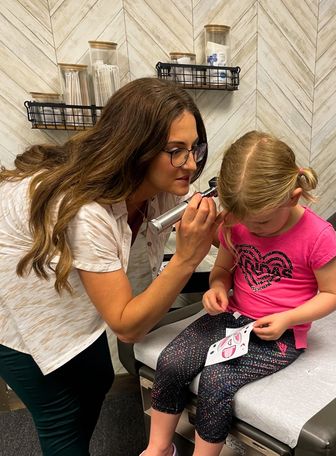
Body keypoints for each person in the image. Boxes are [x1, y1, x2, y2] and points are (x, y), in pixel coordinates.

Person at [0, 77, 220, 455]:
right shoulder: (87, 212)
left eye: (195, 148)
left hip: (60, 291)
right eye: (176, 150)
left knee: (98, 376)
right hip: (17, 316)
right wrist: (186, 258)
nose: (191, 163)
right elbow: (127, 325)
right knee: (61, 422)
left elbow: (225, 230)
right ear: (136, 150)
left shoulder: (162, 184)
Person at [143, 130, 336, 456]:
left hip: (280, 333)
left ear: (293, 197)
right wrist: (217, 288)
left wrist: (288, 318)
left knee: (216, 381)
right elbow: (223, 270)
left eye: (262, 223)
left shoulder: (317, 236)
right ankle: (158, 448)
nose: (252, 230)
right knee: (171, 361)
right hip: (231, 317)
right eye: (245, 223)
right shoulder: (237, 223)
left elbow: (333, 293)